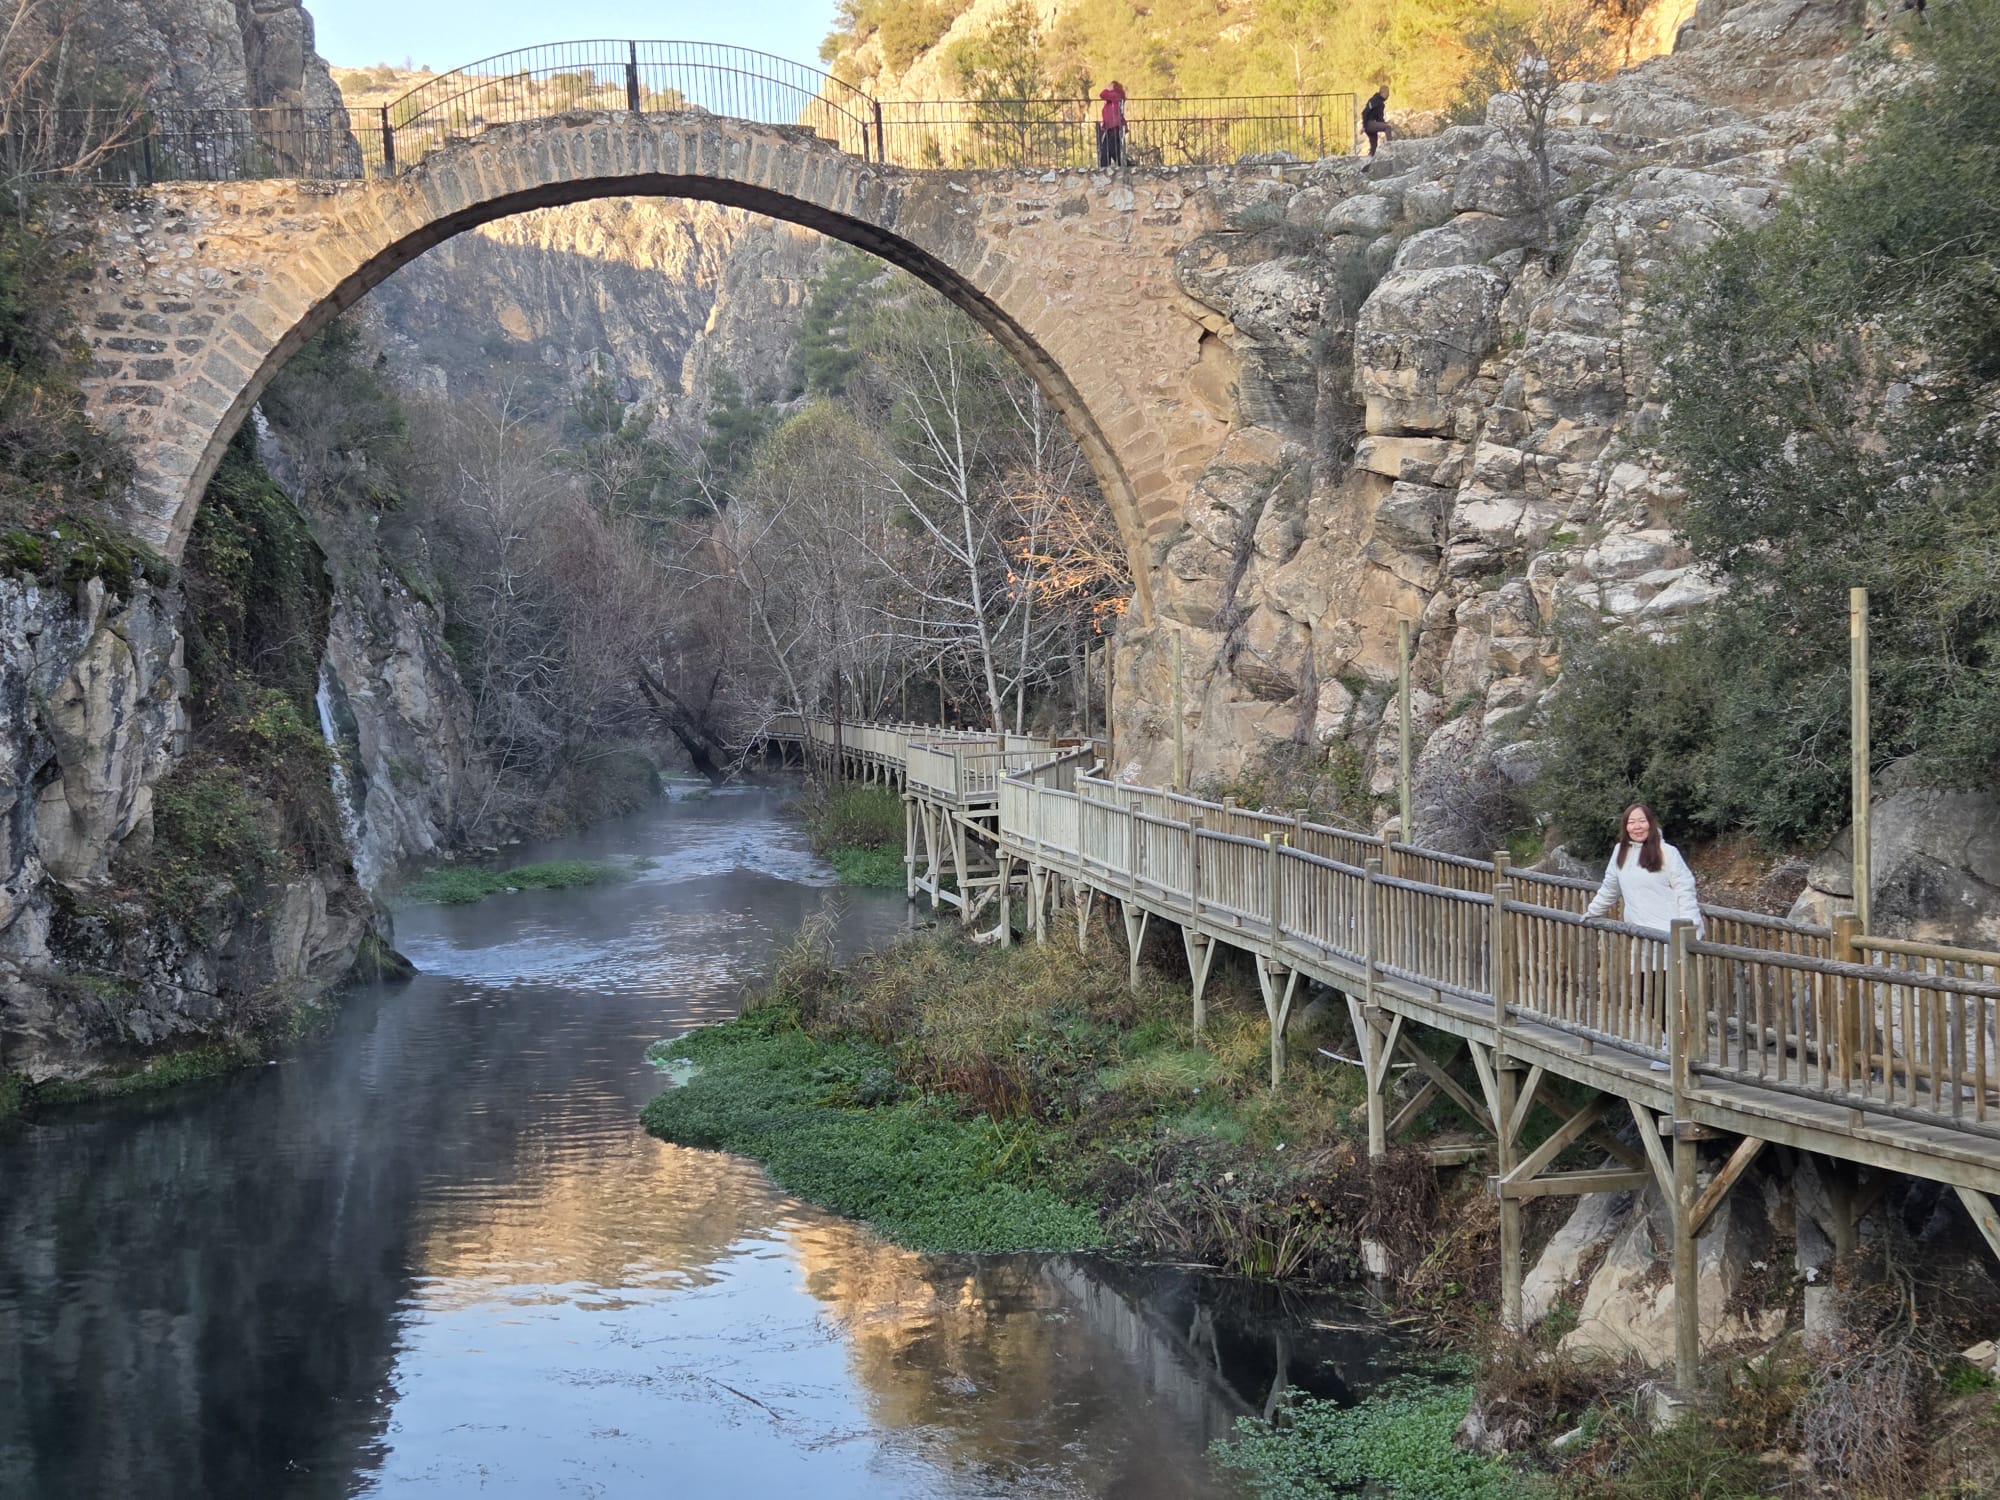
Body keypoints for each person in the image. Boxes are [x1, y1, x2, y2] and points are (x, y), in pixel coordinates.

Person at [1585, 802, 1704, 1068]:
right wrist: (1592, 912)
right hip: (1641, 935)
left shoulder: (1667, 853)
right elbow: (1610, 888)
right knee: (1645, 990)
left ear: (1650, 823)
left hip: (1670, 933)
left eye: (1641, 821)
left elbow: (1685, 890)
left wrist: (1690, 926)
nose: (1637, 827)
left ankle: (1680, 1049)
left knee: (1673, 991)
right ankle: (1669, 1041)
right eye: (1631, 822)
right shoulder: (1621, 853)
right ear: (1624, 827)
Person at [1097, 80, 1127, 168]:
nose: (1109, 87)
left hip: (1115, 127)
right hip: (1110, 127)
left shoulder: (1116, 95)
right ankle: (1105, 167)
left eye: (1110, 86)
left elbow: (1102, 94)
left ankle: (1127, 165)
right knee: (1108, 149)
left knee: (1111, 149)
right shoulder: (1112, 100)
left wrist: (1107, 89)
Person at [1361, 86, 1393, 157]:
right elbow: (1365, 112)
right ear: (1383, 93)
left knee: (1374, 148)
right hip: (1369, 124)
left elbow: (1380, 118)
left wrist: (1384, 123)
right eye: (1387, 93)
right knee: (1388, 128)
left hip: (1370, 125)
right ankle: (1391, 149)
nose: (1388, 95)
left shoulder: (1378, 102)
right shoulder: (1376, 101)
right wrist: (1364, 126)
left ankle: (1369, 161)